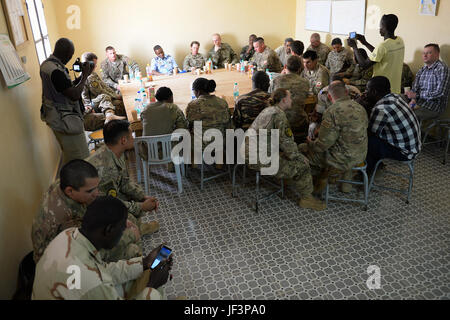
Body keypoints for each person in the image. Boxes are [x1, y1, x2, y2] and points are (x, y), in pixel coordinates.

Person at [32, 196, 172, 300]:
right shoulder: (92, 284)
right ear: (109, 230)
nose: (125, 232)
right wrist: (152, 286)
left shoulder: (68, 235)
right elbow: (94, 279)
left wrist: (144, 262)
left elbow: (103, 270)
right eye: (123, 228)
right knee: (153, 285)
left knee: (148, 271)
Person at [31, 160, 142, 264]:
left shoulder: (68, 184)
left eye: (96, 187)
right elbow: (89, 251)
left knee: (125, 219)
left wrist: (119, 221)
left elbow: (94, 207)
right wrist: (129, 236)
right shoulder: (64, 218)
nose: (97, 193)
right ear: (70, 191)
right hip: (62, 265)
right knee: (131, 251)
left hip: (72, 245)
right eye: (90, 191)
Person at [242, 88, 325, 211]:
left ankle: (288, 178)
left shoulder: (268, 110)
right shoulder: (279, 115)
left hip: (249, 152)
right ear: (284, 100)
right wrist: (300, 157)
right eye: (290, 97)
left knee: (301, 148)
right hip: (261, 159)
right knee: (302, 165)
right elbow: (287, 142)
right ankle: (307, 199)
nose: (292, 100)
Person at [86, 120, 160, 235]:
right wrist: (141, 206)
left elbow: (124, 181)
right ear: (123, 140)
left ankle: (137, 225)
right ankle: (137, 229)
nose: (133, 138)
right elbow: (109, 204)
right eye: (131, 135)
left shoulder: (114, 152)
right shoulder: (105, 169)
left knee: (132, 196)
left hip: (105, 198)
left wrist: (142, 197)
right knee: (125, 218)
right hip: (93, 209)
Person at [299, 81, 368, 193]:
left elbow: (322, 146)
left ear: (329, 96)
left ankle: (316, 184)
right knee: (346, 145)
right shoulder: (360, 107)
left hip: (340, 159)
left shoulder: (332, 111)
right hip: (361, 155)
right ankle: (346, 180)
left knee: (302, 149)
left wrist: (310, 143)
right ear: (347, 92)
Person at [40, 38, 93, 165]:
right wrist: (85, 76)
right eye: (70, 56)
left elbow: (65, 88)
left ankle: (69, 182)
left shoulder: (48, 65)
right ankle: (79, 184)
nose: (70, 59)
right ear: (66, 54)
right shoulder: (55, 71)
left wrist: (80, 77)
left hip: (57, 117)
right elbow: (74, 95)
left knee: (70, 156)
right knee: (81, 158)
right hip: (64, 119)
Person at [366, 76, 421, 173]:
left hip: (404, 153)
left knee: (367, 141)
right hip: (414, 148)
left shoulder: (381, 108)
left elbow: (370, 133)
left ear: (374, 92)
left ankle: (369, 172)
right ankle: (377, 164)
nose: (365, 93)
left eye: (367, 90)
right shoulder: (396, 97)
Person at [347, 14, 405, 94]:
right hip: (395, 88)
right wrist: (365, 43)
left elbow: (364, 65)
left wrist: (354, 47)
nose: (379, 29)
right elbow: (380, 54)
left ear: (385, 27)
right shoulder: (400, 41)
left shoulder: (383, 46)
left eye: (380, 26)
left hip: (381, 89)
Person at [139, 87, 188, 167]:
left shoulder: (147, 107)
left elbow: (143, 122)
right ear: (171, 97)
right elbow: (183, 128)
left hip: (147, 151)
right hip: (167, 151)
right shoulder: (173, 108)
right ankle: (175, 166)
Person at [81, 52, 126, 131]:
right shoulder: (88, 77)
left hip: (100, 101)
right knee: (104, 96)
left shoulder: (93, 74)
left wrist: (115, 95)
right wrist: (116, 96)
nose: (95, 66)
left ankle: (120, 124)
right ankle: (110, 116)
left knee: (119, 103)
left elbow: (104, 86)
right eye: (94, 64)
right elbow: (100, 91)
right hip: (92, 103)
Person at [270, 56, 310, 143]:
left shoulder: (276, 81)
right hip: (299, 122)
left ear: (285, 67)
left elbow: (270, 98)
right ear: (300, 69)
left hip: (280, 123)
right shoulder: (305, 82)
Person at [406, 44, 450, 122]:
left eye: (429, 53)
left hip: (433, 107)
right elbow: (415, 89)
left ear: (437, 54)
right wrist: (413, 101)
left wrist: (417, 95)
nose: (425, 55)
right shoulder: (422, 70)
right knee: (397, 104)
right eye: (424, 53)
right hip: (418, 103)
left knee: (407, 116)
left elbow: (441, 93)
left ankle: (414, 133)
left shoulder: (442, 69)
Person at [186, 78, 232, 150]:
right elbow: (228, 122)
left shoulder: (193, 105)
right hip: (221, 142)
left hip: (202, 145)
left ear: (197, 92)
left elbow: (189, 124)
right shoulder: (222, 102)